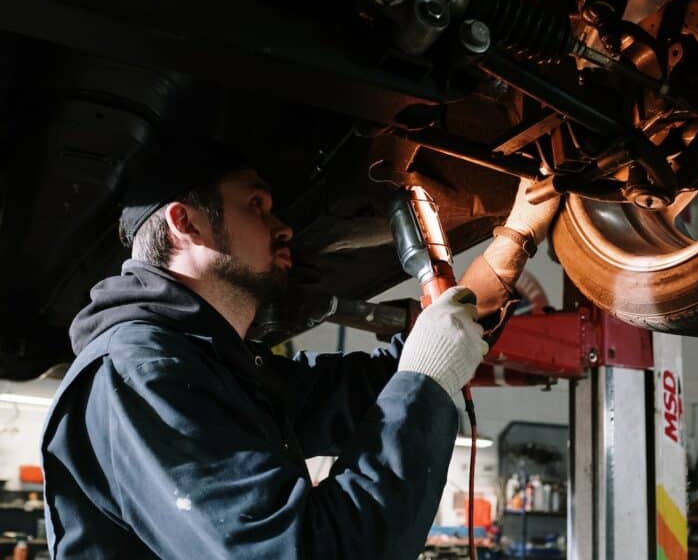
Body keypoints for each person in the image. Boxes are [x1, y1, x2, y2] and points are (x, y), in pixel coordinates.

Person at [40, 140, 560, 559]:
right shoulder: (139, 372)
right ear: (186, 223)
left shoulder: (215, 367)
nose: (283, 225)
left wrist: (513, 241)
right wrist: (426, 381)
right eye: (256, 204)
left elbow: (374, 387)